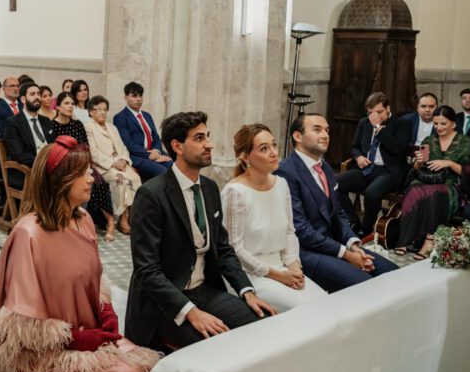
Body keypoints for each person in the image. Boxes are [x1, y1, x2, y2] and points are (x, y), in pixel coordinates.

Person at [0, 136, 160, 372]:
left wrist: (106, 313)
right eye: (85, 173)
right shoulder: (28, 233)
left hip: (89, 334)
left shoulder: (84, 220)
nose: (93, 178)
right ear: (61, 181)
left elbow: (94, 279)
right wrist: (77, 338)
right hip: (44, 351)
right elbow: (21, 323)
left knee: (148, 370)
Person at [125, 111, 277, 351]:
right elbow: (147, 270)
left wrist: (246, 291)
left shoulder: (209, 188)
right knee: (215, 347)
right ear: (177, 146)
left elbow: (223, 248)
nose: (210, 144)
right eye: (199, 138)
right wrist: (191, 312)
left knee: (264, 324)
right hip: (164, 302)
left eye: (207, 136)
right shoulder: (151, 194)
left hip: (205, 291)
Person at [275, 114, 399, 292]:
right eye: (317, 130)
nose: (325, 135)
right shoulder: (285, 172)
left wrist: (353, 245)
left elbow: (339, 214)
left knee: (393, 273)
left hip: (334, 244)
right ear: (297, 136)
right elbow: (300, 229)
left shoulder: (325, 168)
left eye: (327, 130)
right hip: (306, 251)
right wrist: (346, 254)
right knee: (366, 285)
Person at [221, 124, 327, 312]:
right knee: (308, 311)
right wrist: (278, 275)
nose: (274, 152)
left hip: (283, 266)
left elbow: (289, 231)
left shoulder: (281, 184)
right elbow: (234, 249)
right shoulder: (234, 192)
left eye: (274, 145)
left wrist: (294, 268)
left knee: (326, 304)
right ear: (245, 157)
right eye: (264, 148)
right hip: (251, 275)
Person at [396, 105, 470, 259]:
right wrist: (418, 162)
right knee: (414, 191)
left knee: (433, 192)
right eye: (436, 124)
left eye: (443, 123)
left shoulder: (464, 141)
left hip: (451, 184)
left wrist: (449, 163)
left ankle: (430, 240)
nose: (439, 127)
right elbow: (417, 168)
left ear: (453, 123)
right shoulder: (429, 140)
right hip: (427, 179)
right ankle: (405, 239)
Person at [336, 92, 408, 237]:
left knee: (372, 193)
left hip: (389, 171)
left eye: (379, 112)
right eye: (371, 113)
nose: (375, 116)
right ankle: (353, 220)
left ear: (388, 108)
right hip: (367, 167)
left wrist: (379, 129)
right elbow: (354, 146)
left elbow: (398, 150)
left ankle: (366, 228)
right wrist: (359, 157)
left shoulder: (402, 123)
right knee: (336, 184)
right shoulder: (364, 122)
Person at [52, 92, 116, 240]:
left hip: (83, 163)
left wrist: (85, 164)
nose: (70, 107)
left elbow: (85, 146)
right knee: (80, 184)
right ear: (58, 106)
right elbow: (55, 150)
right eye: (67, 103)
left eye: (72, 104)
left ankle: (109, 222)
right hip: (65, 165)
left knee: (99, 182)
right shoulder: (52, 125)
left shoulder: (77, 124)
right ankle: (76, 222)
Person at [85, 95, 141, 235]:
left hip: (120, 164)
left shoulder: (112, 127)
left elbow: (122, 147)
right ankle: (122, 218)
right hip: (104, 166)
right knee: (121, 180)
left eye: (105, 109)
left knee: (135, 179)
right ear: (91, 111)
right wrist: (113, 163)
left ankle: (133, 217)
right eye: (99, 109)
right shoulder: (88, 127)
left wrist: (124, 160)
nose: (103, 112)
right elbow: (93, 152)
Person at [113, 81, 173, 180]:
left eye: (140, 96)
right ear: (126, 97)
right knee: (162, 171)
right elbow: (128, 143)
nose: (138, 99)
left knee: (176, 166)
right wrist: (152, 155)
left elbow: (156, 137)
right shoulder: (120, 117)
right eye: (134, 96)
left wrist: (157, 150)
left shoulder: (147, 116)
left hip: (154, 152)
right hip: (136, 156)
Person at [2, 82, 55, 189]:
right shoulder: (13, 123)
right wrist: (43, 162)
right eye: (32, 94)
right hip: (27, 170)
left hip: (50, 166)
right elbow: (19, 155)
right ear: (23, 99)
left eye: (38, 94)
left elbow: (54, 145)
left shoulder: (45, 121)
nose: (37, 97)